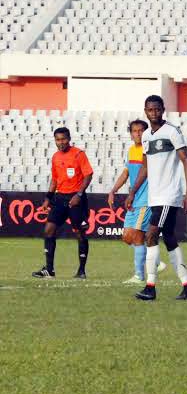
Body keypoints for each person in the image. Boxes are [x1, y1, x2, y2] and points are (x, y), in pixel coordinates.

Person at [125, 95, 187, 301]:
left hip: (169, 195)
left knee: (150, 234)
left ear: (163, 110)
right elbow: (145, 168)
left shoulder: (172, 132)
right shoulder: (147, 135)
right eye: (150, 110)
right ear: (146, 111)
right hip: (153, 196)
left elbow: (186, 161)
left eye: (157, 109)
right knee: (169, 239)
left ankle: (150, 286)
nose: (154, 113)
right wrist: (132, 191)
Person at [108, 119, 166, 284]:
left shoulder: (150, 151)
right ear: (131, 133)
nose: (138, 133)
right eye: (135, 131)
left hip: (145, 198)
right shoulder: (131, 150)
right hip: (133, 198)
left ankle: (139, 275)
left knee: (137, 236)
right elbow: (126, 173)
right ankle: (156, 262)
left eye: (141, 130)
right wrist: (113, 190)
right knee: (127, 237)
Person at [32, 127, 93, 279]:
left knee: (79, 233)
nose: (61, 142)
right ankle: (49, 270)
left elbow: (88, 175)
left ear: (69, 138)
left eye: (63, 139)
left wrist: (79, 194)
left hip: (76, 198)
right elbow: (55, 179)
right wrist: (48, 198)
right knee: (48, 230)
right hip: (60, 198)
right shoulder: (55, 157)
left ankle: (81, 270)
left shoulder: (79, 154)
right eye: (58, 140)